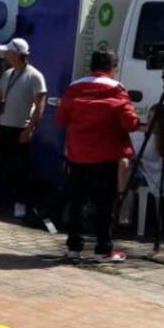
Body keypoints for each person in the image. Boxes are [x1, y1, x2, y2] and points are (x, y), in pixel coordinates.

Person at [57, 49, 140, 263]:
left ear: (92, 66)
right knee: (104, 204)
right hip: (106, 156)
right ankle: (102, 249)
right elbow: (130, 123)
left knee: (77, 202)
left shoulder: (74, 87)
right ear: (113, 68)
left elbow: (61, 118)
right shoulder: (117, 89)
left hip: (78, 155)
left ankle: (73, 248)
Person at [0, 38, 47, 220]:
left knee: (20, 168)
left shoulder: (35, 76)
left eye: (8, 52)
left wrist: (30, 129)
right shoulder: (7, 74)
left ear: (17, 54)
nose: (5, 55)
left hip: (20, 129)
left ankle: (20, 203)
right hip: (3, 127)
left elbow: (40, 105)